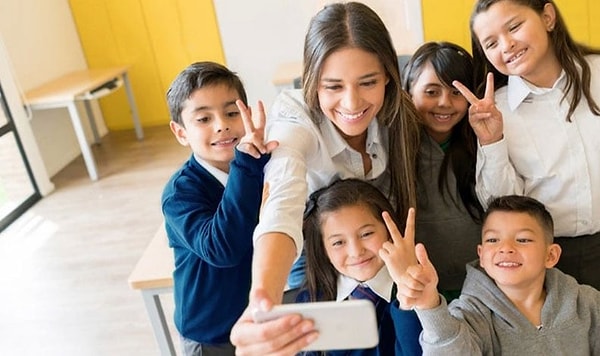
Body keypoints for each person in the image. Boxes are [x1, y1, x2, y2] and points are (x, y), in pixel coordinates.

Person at [230, 2, 422, 354]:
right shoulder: (294, 118)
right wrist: (262, 298)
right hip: (315, 248)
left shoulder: (399, 114)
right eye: (332, 86)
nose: (351, 103)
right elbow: (282, 203)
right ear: (312, 82)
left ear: (389, 78)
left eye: (368, 82)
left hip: (378, 247)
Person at [452, 0, 600, 289]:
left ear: (547, 17)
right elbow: (503, 206)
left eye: (515, 27)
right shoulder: (497, 110)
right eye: (491, 43)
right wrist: (491, 140)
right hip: (546, 260)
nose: (506, 45)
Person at [161, 61, 278, 355]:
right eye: (203, 119)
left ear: (247, 115)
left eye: (231, 113)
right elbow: (222, 248)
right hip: (210, 332)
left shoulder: (261, 162)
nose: (221, 125)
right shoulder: (180, 193)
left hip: (256, 316)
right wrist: (246, 166)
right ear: (180, 132)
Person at [396, 195, 600, 355]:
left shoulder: (588, 303)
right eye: (493, 240)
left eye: (523, 239)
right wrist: (430, 306)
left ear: (551, 255)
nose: (506, 248)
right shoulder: (469, 315)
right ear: (481, 256)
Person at [298, 178, 422, 355]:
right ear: (323, 250)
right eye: (338, 242)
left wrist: (407, 297)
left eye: (366, 234)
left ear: (389, 230)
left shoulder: (418, 289)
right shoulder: (311, 299)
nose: (356, 251)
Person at [402, 41, 483, 300]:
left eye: (457, 92)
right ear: (409, 91)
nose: (444, 103)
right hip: (420, 285)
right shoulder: (396, 147)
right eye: (431, 91)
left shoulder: (480, 142)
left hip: (481, 284)